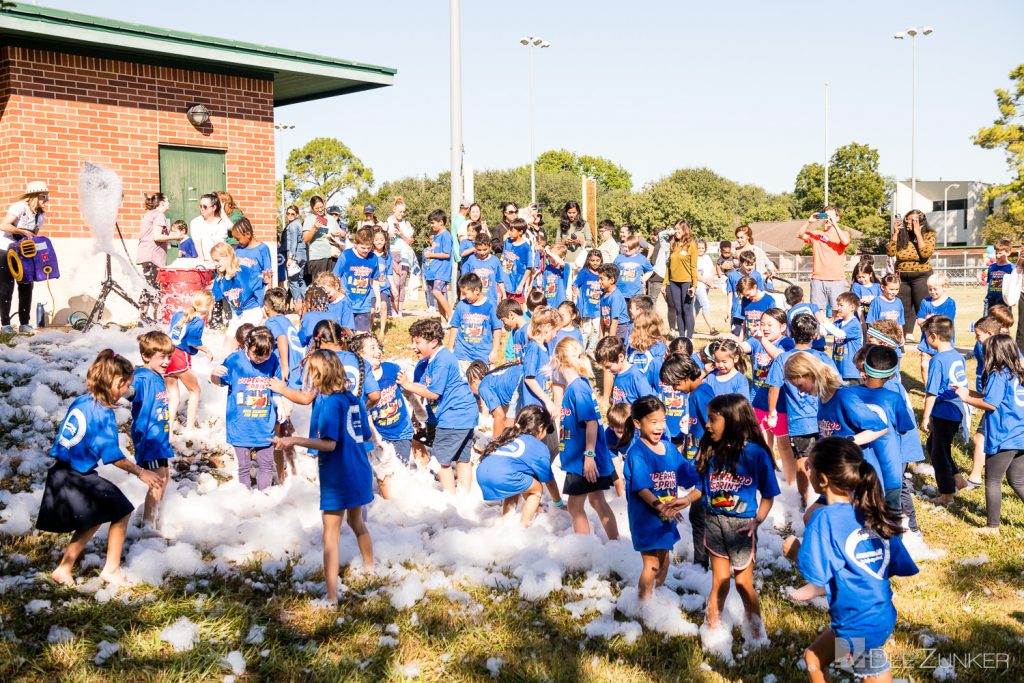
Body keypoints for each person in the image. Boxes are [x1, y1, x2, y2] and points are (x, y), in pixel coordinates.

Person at [786, 437, 918, 683]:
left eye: (810, 467)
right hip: (878, 612)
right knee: (814, 658)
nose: (807, 470)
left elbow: (814, 572)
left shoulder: (824, 518)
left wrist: (794, 550)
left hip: (857, 619)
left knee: (872, 673)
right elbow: (893, 561)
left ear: (823, 479)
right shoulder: (871, 509)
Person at [36, 350, 164, 586]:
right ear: (117, 382)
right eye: (126, 386)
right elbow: (113, 456)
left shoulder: (83, 400)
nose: (127, 392)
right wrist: (141, 472)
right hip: (76, 476)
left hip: (61, 472)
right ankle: (112, 570)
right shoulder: (102, 414)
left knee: (95, 517)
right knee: (122, 510)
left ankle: (63, 569)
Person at [271, 350, 374, 607]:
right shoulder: (352, 398)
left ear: (319, 374)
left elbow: (328, 444)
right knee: (357, 522)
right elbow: (366, 436)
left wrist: (293, 440)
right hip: (359, 468)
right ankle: (371, 569)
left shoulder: (328, 402)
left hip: (338, 473)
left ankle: (331, 596)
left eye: (310, 374)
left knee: (331, 534)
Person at [695, 393, 779, 646]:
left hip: (742, 527)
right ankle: (713, 632)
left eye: (712, 419)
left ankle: (756, 634)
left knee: (743, 583)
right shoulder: (710, 449)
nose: (707, 425)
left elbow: (768, 494)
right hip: (714, 521)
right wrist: (685, 500)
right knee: (719, 580)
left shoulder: (756, 455)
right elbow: (702, 488)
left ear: (732, 420)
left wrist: (758, 521)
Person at [621, 396, 699, 600]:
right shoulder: (637, 453)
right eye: (653, 422)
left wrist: (705, 466)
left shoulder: (670, 448)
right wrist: (662, 507)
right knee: (652, 564)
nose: (659, 426)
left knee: (664, 561)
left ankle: (656, 597)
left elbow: (688, 474)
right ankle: (642, 606)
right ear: (638, 423)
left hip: (666, 519)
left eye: (663, 420)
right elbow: (642, 489)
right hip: (646, 519)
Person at [783, 352, 889, 499]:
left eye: (800, 385)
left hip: (856, 475)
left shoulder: (843, 397)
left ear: (811, 374)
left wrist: (847, 443)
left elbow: (880, 427)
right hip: (835, 472)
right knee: (811, 516)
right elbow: (828, 433)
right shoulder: (822, 397)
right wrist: (817, 454)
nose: (801, 391)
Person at [397, 318, 478, 495]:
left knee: (441, 461)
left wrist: (407, 384)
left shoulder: (443, 359)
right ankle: (465, 498)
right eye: (412, 341)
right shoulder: (425, 362)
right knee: (462, 459)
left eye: (417, 342)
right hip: (463, 414)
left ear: (433, 342)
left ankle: (452, 499)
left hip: (455, 414)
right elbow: (419, 392)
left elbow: (433, 393)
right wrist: (415, 417)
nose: (413, 346)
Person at [550, 337, 620, 540]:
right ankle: (615, 544)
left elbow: (591, 423)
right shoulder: (578, 386)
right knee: (598, 502)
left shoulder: (577, 388)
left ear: (560, 361)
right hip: (583, 458)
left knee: (574, 505)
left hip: (584, 460)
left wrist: (589, 456)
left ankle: (585, 551)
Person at [956, 334, 1024, 534]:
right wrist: (967, 392)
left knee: (993, 480)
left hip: (1004, 436)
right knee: (1017, 479)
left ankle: (992, 527)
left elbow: (990, 403)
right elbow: (994, 397)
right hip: (1020, 435)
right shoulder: (1017, 373)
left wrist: (966, 399)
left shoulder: (998, 373)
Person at [767, 313, 838, 502]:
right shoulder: (823, 357)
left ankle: (804, 498)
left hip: (799, 421)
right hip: (824, 419)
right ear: (815, 335)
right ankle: (826, 496)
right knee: (826, 459)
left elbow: (774, 388)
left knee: (802, 462)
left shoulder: (783, 358)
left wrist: (772, 411)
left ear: (790, 332)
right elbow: (835, 384)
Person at [212, 326, 282, 491]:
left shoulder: (273, 360)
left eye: (265, 357)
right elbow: (219, 382)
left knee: (266, 465)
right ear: (246, 346)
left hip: (264, 422)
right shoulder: (234, 360)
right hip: (240, 424)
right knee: (243, 467)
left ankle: (263, 500)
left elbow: (277, 387)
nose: (260, 360)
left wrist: (281, 407)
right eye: (256, 355)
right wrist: (213, 374)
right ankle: (245, 503)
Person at [477, 406, 563, 527]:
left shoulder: (510, 436)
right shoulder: (539, 447)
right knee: (537, 488)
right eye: (547, 429)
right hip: (503, 476)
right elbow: (549, 481)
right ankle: (522, 527)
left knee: (515, 487)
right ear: (540, 428)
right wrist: (558, 503)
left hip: (483, 473)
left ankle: (505, 522)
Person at [920, 315, 971, 505]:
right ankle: (957, 478)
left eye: (926, 336)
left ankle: (947, 494)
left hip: (944, 411)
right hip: (957, 409)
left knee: (938, 454)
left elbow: (931, 392)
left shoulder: (938, 360)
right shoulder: (957, 355)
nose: (926, 340)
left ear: (933, 336)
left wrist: (925, 417)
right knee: (935, 444)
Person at [131, 331, 175, 532]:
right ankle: (149, 526)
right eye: (161, 357)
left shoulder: (157, 376)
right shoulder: (142, 377)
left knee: (164, 476)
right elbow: (131, 389)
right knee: (158, 480)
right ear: (146, 356)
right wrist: (122, 391)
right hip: (150, 438)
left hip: (160, 438)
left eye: (168, 356)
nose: (166, 361)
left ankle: (153, 514)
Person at [0, 181, 49, 334]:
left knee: (27, 285)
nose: (46, 200)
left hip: (24, 252)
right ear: (34, 196)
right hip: (6, 249)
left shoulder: (41, 215)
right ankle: (5, 325)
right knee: (6, 287)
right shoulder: (19, 207)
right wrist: (23, 232)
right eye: (43, 196)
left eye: (46, 196)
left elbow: (34, 235)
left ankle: (24, 324)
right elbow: (4, 225)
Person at [166, 290, 214, 436]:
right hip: (179, 357)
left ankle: (168, 430)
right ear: (209, 307)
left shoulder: (179, 314)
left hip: (167, 355)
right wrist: (207, 350)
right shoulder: (198, 322)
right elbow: (192, 342)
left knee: (173, 396)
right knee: (195, 390)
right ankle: (190, 427)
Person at [886, 209, 936, 339]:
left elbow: (925, 253)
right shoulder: (902, 234)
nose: (909, 223)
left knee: (923, 309)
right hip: (903, 276)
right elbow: (891, 252)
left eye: (913, 221)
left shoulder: (929, 234)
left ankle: (928, 340)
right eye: (907, 221)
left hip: (921, 275)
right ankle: (899, 340)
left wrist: (918, 233)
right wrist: (895, 234)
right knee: (902, 310)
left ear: (920, 222)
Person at [797, 207, 850, 319]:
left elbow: (845, 242)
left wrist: (834, 224)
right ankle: (820, 335)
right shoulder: (817, 234)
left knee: (838, 312)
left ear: (838, 218)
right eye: (826, 216)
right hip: (818, 279)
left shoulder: (843, 233)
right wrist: (809, 222)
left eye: (831, 216)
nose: (828, 219)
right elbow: (800, 235)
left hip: (836, 279)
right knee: (818, 313)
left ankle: (837, 336)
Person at [211, 242, 264, 352]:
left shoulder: (243, 271)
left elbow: (259, 283)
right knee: (226, 348)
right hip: (236, 315)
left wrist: (265, 280)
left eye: (217, 260)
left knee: (246, 346)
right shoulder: (219, 279)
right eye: (213, 261)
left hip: (251, 312)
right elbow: (216, 296)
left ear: (228, 256)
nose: (215, 264)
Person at [447, 272, 504, 367]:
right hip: (462, 356)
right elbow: (455, 327)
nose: (463, 296)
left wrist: (494, 351)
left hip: (482, 357)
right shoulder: (461, 305)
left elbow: (497, 329)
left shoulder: (491, 306)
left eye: (465, 294)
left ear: (477, 290)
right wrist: (450, 347)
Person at [333, 227, 381, 332]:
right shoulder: (346, 255)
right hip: (347, 302)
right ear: (355, 243)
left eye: (369, 248)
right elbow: (336, 277)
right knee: (347, 335)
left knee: (362, 336)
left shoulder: (373, 258)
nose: (366, 251)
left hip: (364, 303)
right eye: (363, 248)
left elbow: (375, 280)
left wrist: (378, 300)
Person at [915, 273, 956, 384]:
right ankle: (929, 390)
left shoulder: (950, 303)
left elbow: (946, 324)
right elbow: (919, 321)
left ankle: (942, 388)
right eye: (930, 289)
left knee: (942, 366)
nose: (932, 292)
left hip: (943, 341)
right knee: (924, 365)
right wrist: (927, 320)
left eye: (935, 289)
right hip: (927, 340)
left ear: (944, 287)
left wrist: (930, 319)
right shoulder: (925, 302)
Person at [135, 193, 175, 306]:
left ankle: (146, 315)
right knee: (152, 287)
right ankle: (147, 317)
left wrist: (174, 234)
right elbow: (157, 237)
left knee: (150, 286)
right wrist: (177, 237)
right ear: (162, 203)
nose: (169, 203)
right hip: (153, 257)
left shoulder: (149, 214)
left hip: (146, 255)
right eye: (167, 201)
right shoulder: (159, 215)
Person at [520, 307, 560, 414]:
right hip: (534, 408)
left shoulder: (545, 346)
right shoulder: (533, 348)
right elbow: (529, 379)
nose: (556, 335)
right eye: (555, 331)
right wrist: (547, 401)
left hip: (544, 406)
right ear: (547, 327)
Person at [597, 335, 655, 407]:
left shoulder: (636, 377)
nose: (606, 370)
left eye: (608, 367)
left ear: (620, 357)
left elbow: (650, 403)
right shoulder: (618, 372)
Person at [666, 220, 699, 339]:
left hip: (686, 282)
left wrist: (694, 286)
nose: (675, 231)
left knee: (687, 311)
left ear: (685, 230)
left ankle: (689, 339)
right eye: (675, 229)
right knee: (678, 311)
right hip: (674, 282)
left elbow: (693, 267)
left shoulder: (691, 245)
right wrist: (665, 283)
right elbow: (668, 266)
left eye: (678, 229)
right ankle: (681, 338)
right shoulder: (673, 244)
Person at [423, 209, 455, 321]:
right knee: (438, 295)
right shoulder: (436, 236)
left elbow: (447, 254)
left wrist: (431, 255)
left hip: (442, 271)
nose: (431, 225)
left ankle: (451, 316)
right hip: (435, 271)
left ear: (441, 222)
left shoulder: (446, 235)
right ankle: (443, 321)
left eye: (433, 222)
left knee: (436, 292)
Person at [303, 196, 343, 284]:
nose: (320, 210)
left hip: (332, 256)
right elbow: (305, 239)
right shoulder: (309, 219)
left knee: (333, 283)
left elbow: (339, 235)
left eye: (322, 207)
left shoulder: (331, 218)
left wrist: (341, 234)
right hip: (318, 257)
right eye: (317, 208)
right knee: (319, 285)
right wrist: (314, 228)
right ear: (312, 208)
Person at [462, 232, 508, 307]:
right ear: (475, 247)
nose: (482, 252)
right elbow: (466, 281)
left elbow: (500, 280)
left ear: (490, 246)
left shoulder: (495, 260)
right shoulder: (471, 260)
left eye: (485, 249)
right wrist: (463, 295)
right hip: (475, 299)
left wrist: (504, 295)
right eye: (479, 250)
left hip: (491, 299)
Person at [232, 217, 274, 294]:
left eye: (238, 239)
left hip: (257, 296)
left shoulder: (262, 249)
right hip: (241, 295)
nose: (238, 242)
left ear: (248, 234)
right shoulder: (238, 249)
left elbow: (268, 273)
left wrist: (269, 295)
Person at [573, 249, 604, 350]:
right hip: (586, 307)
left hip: (597, 307)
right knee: (586, 330)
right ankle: (582, 349)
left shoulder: (602, 274)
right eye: (592, 260)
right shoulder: (584, 272)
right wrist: (577, 293)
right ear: (588, 260)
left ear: (601, 260)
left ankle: (591, 349)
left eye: (597, 260)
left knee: (597, 329)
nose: (595, 263)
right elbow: (575, 284)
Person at [501, 218, 536, 304]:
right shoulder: (507, 242)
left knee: (516, 308)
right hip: (504, 281)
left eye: (512, 230)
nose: (509, 232)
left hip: (516, 284)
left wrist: (521, 285)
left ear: (520, 232)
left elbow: (529, 268)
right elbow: (502, 258)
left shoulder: (526, 247)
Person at [832, 292, 864, 383]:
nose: (838, 308)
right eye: (838, 305)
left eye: (841, 305)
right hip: (838, 370)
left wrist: (823, 320)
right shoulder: (838, 323)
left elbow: (840, 334)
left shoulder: (855, 324)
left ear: (852, 307)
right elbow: (824, 331)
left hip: (851, 372)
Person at [189, 192, 231, 263]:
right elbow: (197, 241)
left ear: (214, 207)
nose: (202, 209)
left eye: (205, 207)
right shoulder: (195, 222)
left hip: (217, 261)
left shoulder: (221, 224)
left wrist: (212, 262)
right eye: (200, 206)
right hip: (201, 262)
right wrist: (202, 261)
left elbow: (218, 245)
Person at [614, 235, 654, 306]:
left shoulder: (641, 259)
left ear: (636, 248)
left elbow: (650, 270)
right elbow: (613, 271)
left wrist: (644, 278)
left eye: (630, 248)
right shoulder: (619, 258)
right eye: (625, 247)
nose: (627, 249)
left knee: (634, 313)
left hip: (635, 294)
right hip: (620, 293)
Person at [282, 205, 307, 301]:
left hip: (295, 256)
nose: (290, 215)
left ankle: (299, 304)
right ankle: (308, 303)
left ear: (297, 215)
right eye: (288, 213)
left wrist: (290, 258)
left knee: (293, 282)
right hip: (302, 255)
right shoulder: (298, 224)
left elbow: (293, 242)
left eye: (293, 213)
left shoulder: (292, 226)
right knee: (300, 280)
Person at [597, 263, 629, 340]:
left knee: (615, 350)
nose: (599, 281)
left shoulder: (615, 297)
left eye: (602, 279)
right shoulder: (603, 294)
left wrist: (611, 342)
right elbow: (602, 318)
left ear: (611, 280)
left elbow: (615, 322)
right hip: (612, 327)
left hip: (620, 329)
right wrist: (600, 338)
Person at [557, 200, 591, 266]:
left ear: (578, 212)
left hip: (581, 261)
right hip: (565, 261)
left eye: (574, 213)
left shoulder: (584, 224)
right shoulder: (561, 225)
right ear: (566, 212)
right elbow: (557, 244)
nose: (571, 215)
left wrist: (579, 241)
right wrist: (565, 242)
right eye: (569, 213)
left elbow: (589, 242)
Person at [694, 240, 717, 335]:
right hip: (699, 285)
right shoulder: (694, 258)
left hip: (706, 285)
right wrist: (706, 281)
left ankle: (689, 326)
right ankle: (712, 328)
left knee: (696, 307)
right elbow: (695, 274)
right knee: (705, 305)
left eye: (703, 248)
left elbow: (712, 270)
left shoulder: (707, 257)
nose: (701, 250)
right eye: (699, 248)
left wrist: (710, 280)